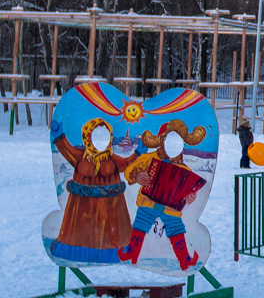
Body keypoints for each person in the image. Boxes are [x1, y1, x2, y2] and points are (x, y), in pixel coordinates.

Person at [121, 119, 208, 270]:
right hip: (148, 202)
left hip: (171, 208)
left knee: (176, 230)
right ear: (162, 141)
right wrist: (137, 176)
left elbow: (189, 192)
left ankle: (184, 259)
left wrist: (190, 197)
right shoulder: (150, 159)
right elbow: (129, 170)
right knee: (140, 226)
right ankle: (131, 253)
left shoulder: (184, 169)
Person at [49, 116, 135, 264]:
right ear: (88, 138)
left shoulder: (112, 159)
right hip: (82, 210)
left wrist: (138, 153)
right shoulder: (80, 157)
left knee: (110, 236)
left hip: (109, 210)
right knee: (82, 235)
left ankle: (113, 253)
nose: (100, 141)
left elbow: (127, 163)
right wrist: (59, 137)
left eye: (105, 136)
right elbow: (66, 150)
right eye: (95, 136)